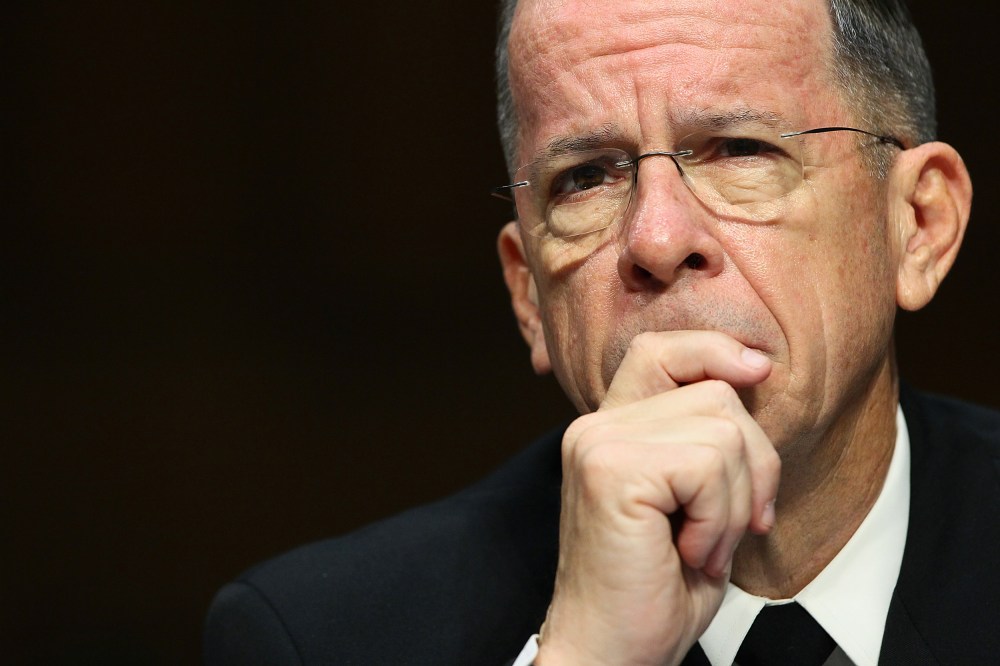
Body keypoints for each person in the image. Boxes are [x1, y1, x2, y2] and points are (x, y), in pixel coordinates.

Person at [204, 0, 1000, 663]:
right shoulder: (322, 639)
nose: (655, 239)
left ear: (918, 225)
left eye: (738, 150)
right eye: (585, 178)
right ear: (528, 293)